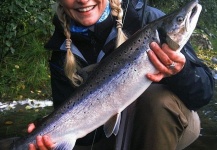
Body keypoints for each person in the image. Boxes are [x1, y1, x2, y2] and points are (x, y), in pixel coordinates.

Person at [28, 0, 214, 149]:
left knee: (158, 100)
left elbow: (202, 94)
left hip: (165, 122)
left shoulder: (149, 19)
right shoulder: (61, 50)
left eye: (179, 21)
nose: (83, 0)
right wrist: (47, 135)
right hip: (106, 133)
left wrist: (181, 72)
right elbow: (85, 138)